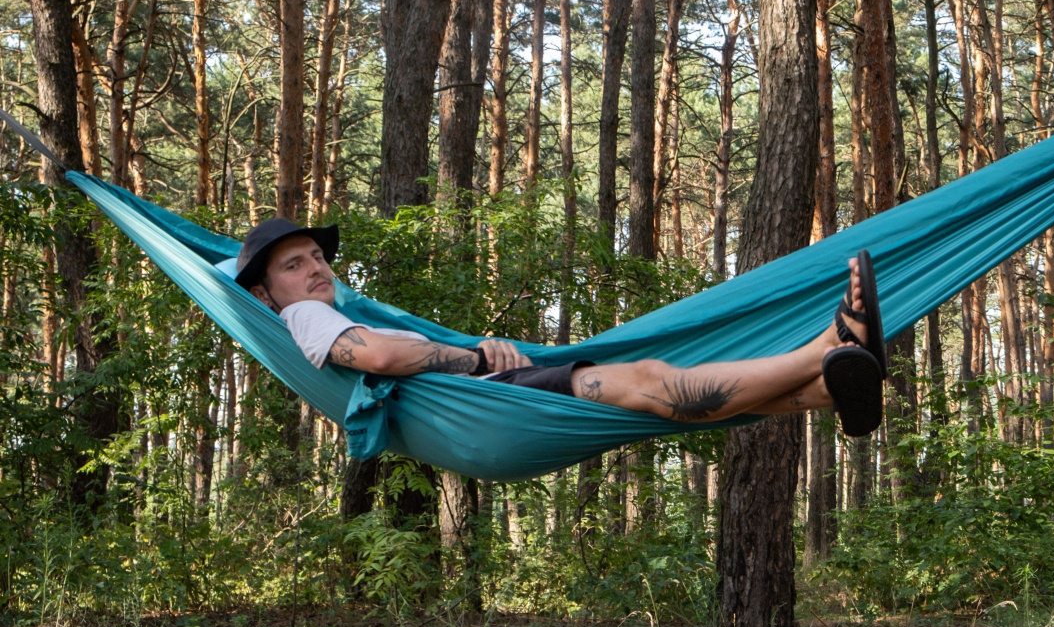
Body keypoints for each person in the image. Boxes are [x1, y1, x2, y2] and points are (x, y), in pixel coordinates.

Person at [233, 217, 887, 436]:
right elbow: (375, 357)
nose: (316, 269)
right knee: (648, 382)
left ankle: (829, 388)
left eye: (318, 256)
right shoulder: (305, 316)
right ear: (266, 294)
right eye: (295, 265)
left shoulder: (319, 305)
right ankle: (830, 347)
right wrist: (479, 363)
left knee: (653, 395)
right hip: (491, 401)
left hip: (482, 406)